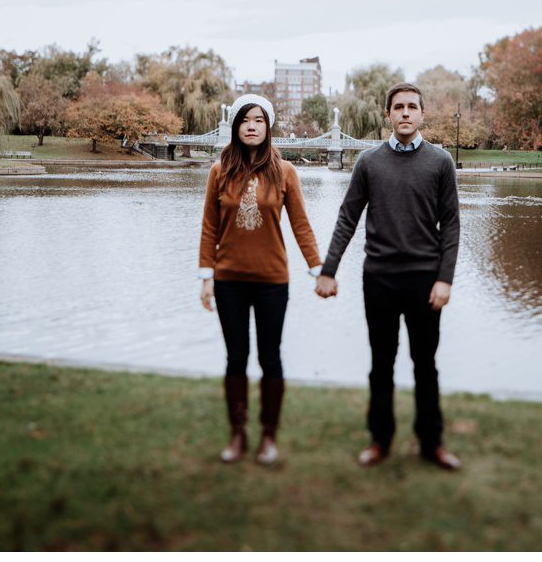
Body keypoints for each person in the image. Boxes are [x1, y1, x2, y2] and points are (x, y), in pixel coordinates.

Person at [314, 82, 462, 471]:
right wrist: (328, 270)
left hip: (424, 280)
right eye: (398, 107)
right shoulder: (369, 162)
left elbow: (451, 225)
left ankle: (432, 443)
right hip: (378, 279)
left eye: (413, 107)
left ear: (422, 114)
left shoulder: (441, 162)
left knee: (424, 364)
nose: (406, 113)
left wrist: (444, 278)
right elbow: (348, 218)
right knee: (381, 364)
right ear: (388, 115)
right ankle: (380, 440)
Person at [198, 94, 322, 465]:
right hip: (229, 280)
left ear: (268, 127)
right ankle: (238, 434)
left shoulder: (284, 171)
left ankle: (269, 435)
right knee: (236, 358)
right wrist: (207, 276)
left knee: (271, 358)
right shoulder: (220, 170)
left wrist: (318, 268)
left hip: (271, 281)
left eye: (259, 120)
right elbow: (209, 226)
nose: (251, 126)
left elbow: (300, 224)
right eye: (244, 120)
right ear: (236, 127)